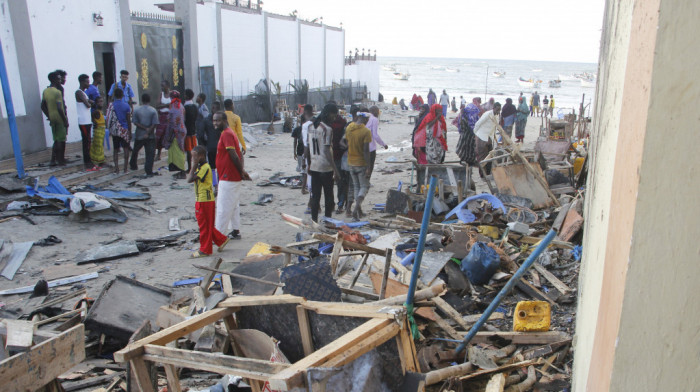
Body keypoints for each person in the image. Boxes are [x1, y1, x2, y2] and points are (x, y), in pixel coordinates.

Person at [214, 111, 251, 239]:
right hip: (229, 176)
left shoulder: (227, 134)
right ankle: (235, 231)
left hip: (228, 177)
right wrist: (241, 171)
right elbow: (239, 153)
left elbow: (234, 154)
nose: (215, 123)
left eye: (217, 120)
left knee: (223, 207)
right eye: (214, 120)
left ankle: (218, 235)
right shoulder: (227, 133)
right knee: (233, 205)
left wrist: (241, 171)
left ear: (224, 121)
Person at [187, 145, 229, 258]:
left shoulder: (205, 168)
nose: (192, 159)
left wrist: (194, 165)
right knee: (207, 225)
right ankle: (221, 240)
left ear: (200, 156)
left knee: (204, 226)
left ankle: (205, 250)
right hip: (203, 199)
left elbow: (189, 179)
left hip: (204, 200)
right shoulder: (201, 167)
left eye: (194, 157)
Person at [306, 104, 341, 222]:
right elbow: (326, 150)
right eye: (334, 115)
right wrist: (335, 170)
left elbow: (308, 147)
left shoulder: (311, 127)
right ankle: (327, 220)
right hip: (325, 167)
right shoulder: (327, 129)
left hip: (314, 165)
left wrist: (308, 163)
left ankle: (314, 220)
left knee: (315, 196)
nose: (335, 118)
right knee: (328, 197)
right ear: (328, 113)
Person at [346, 110, 372, 221]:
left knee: (356, 186)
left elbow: (347, 142)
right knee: (364, 187)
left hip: (351, 161)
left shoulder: (349, 127)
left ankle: (357, 212)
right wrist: (369, 167)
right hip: (361, 162)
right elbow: (366, 150)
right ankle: (356, 210)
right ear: (365, 119)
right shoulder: (365, 131)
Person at [41, 71, 68, 166]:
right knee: (61, 139)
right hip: (59, 117)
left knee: (56, 139)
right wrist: (65, 120)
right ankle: (60, 160)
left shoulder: (45, 91)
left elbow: (42, 106)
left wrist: (49, 115)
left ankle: (53, 159)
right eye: (58, 79)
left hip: (52, 117)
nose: (60, 81)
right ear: (54, 80)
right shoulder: (58, 92)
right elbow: (60, 108)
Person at [129, 93, 159, 176]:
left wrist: (144, 128)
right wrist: (148, 131)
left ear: (142, 100)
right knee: (150, 154)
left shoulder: (137, 110)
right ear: (149, 100)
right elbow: (154, 124)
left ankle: (133, 165)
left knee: (135, 150)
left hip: (139, 134)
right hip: (150, 135)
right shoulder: (153, 110)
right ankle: (148, 170)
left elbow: (135, 122)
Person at [105, 88, 132, 173]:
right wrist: (130, 132)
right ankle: (125, 168)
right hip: (124, 129)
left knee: (116, 150)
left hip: (115, 130)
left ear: (114, 96)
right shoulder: (126, 106)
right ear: (123, 95)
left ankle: (117, 169)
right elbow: (128, 120)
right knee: (126, 149)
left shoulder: (111, 105)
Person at [473, 102, 501, 175]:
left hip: (489, 137)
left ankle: (488, 173)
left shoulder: (497, 116)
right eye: (497, 110)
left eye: (499, 110)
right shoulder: (487, 114)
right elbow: (478, 123)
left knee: (490, 156)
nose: (498, 112)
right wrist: (475, 134)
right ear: (493, 108)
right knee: (482, 157)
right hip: (481, 136)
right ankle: (483, 174)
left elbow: (494, 127)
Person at [164, 90, 187, 179]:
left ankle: (182, 172)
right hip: (182, 130)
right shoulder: (181, 106)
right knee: (179, 150)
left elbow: (171, 122)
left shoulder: (172, 107)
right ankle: (179, 170)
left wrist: (169, 134)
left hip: (175, 132)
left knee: (178, 152)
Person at [329, 104, 348, 213]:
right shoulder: (341, 122)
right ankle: (337, 204)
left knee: (338, 181)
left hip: (336, 156)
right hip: (334, 155)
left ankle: (339, 204)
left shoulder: (341, 123)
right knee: (337, 182)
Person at [75, 74, 95, 169]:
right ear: (82, 82)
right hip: (83, 121)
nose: (88, 83)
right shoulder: (79, 92)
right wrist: (90, 102)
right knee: (86, 142)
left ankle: (89, 160)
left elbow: (91, 101)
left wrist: (90, 102)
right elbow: (88, 104)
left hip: (87, 121)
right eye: (87, 82)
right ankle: (87, 162)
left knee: (88, 141)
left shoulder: (84, 93)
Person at [367, 106, 388, 179]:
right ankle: (367, 181)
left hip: (362, 146)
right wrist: (383, 144)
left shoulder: (365, 118)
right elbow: (375, 135)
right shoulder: (374, 119)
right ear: (375, 111)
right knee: (370, 165)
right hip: (370, 146)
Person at [155, 80, 171, 161]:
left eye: (163, 86)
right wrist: (167, 105)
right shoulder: (161, 95)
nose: (162, 87)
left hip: (170, 118)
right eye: (161, 86)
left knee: (169, 136)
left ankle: (171, 155)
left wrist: (164, 106)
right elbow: (157, 106)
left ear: (167, 86)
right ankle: (158, 154)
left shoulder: (172, 94)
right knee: (159, 136)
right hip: (162, 117)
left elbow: (173, 106)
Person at [184, 89, 198, 171]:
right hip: (193, 130)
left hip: (187, 131)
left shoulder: (185, 107)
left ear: (187, 96)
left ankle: (189, 167)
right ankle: (195, 166)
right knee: (194, 150)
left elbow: (184, 119)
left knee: (188, 150)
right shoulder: (195, 107)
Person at [90, 96, 106, 167]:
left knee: (100, 145)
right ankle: (99, 161)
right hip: (98, 130)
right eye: (100, 101)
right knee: (98, 145)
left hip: (102, 130)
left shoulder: (100, 111)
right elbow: (92, 117)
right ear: (96, 103)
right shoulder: (96, 111)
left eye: (102, 101)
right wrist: (94, 122)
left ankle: (100, 160)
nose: (101, 103)